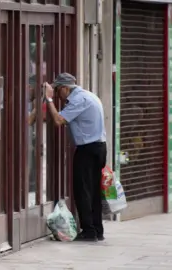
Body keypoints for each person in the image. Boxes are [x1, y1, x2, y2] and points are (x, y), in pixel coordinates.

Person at [43, 72, 107, 242]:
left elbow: (58, 120)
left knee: (82, 190)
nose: (57, 95)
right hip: (99, 147)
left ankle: (89, 231)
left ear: (65, 88)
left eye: (57, 91)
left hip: (88, 149)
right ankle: (97, 229)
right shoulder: (89, 95)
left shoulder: (78, 100)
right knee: (93, 190)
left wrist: (48, 100)